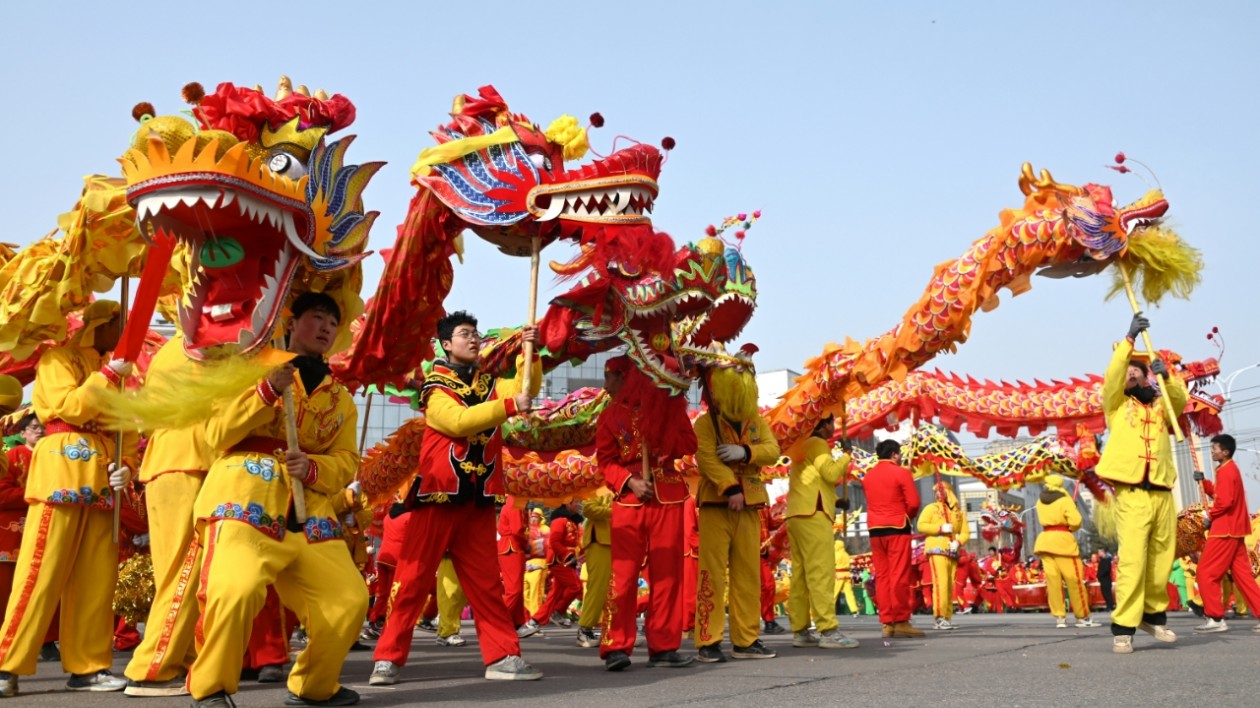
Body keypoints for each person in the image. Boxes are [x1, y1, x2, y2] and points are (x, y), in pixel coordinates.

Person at [189, 292, 367, 707]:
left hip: (311, 513)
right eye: (316, 317)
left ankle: (314, 687)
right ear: (290, 322)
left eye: (331, 322)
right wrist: (266, 390)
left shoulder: (340, 397)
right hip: (244, 498)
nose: (325, 328)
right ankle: (211, 689)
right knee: (236, 590)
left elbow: (347, 460)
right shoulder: (249, 367)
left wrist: (314, 469)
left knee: (349, 601)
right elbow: (216, 434)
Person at [370, 312, 543, 684]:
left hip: (478, 500)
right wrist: (511, 406)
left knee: (487, 584)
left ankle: (503, 656)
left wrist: (532, 353)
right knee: (413, 580)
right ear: (446, 344)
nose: (474, 339)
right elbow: (459, 423)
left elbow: (525, 390)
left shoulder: (490, 384)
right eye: (465, 334)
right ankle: (387, 657)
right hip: (438, 497)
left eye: (476, 334)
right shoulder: (435, 387)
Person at [0, 301, 135, 697]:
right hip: (60, 469)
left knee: (97, 580)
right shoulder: (58, 359)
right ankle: (7, 664)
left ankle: (89, 667)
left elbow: (125, 427)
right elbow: (69, 408)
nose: (126, 333)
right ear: (101, 325)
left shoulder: (119, 374)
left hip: (103, 479)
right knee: (40, 571)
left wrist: (126, 464)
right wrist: (107, 375)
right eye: (121, 325)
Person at [123, 334, 216, 697]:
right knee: (186, 571)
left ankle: (179, 658)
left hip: (166, 465)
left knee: (174, 573)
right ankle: (152, 668)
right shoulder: (201, 344)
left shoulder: (168, 350)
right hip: (190, 464)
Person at [1095, 313, 1188, 654]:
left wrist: (1171, 379)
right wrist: (1129, 340)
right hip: (1132, 493)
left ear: (1149, 375)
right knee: (1133, 558)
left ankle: (1153, 616)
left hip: (1163, 491)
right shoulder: (1117, 405)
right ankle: (1123, 627)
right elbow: (1112, 377)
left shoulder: (1161, 407)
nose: (1131, 371)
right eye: (1128, 369)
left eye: (1138, 368)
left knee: (1162, 557)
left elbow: (1178, 402)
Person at [597, 356, 695, 671]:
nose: (605, 384)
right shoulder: (610, 416)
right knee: (623, 576)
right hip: (630, 500)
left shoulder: (667, 409)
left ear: (627, 376)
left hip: (666, 496)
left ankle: (664, 646)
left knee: (668, 574)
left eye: (609, 377)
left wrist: (670, 419)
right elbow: (605, 462)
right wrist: (629, 481)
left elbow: (688, 445)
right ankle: (616, 646)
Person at [693, 362, 782, 662]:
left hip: (751, 503)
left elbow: (773, 449)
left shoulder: (757, 421)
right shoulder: (705, 424)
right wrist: (729, 487)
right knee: (712, 574)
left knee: (748, 575)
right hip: (717, 504)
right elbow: (706, 458)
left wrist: (745, 452)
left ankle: (746, 639)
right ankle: (709, 639)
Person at [785, 415, 858, 649]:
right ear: (824, 425)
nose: (834, 428)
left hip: (798, 514)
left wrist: (836, 503)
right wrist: (846, 455)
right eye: (832, 423)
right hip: (813, 516)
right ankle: (828, 630)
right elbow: (830, 473)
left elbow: (814, 482)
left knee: (800, 576)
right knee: (821, 572)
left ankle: (800, 630)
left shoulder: (803, 446)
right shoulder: (817, 444)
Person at [1192, 434, 1260, 633]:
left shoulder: (1228, 471)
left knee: (1205, 573)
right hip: (1234, 530)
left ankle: (1215, 617)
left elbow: (1224, 502)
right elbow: (1221, 495)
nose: (1212, 451)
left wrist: (1209, 517)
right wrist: (1204, 483)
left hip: (1224, 531)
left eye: (1215, 448)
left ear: (1225, 452)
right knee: (1243, 577)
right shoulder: (1226, 469)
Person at [860, 439, 922, 638]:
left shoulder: (868, 475)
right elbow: (913, 502)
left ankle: (887, 622)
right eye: (900, 454)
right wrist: (907, 516)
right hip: (897, 526)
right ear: (894, 454)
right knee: (899, 576)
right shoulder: (901, 472)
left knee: (882, 576)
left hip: (875, 529)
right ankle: (901, 619)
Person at [1034, 474, 1100, 629]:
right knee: (1075, 581)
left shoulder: (1039, 501)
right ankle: (1082, 617)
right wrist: (1071, 522)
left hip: (1045, 541)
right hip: (1063, 542)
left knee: (1053, 582)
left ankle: (1059, 617)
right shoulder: (1065, 499)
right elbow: (1076, 522)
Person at [917, 479, 969, 630]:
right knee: (941, 583)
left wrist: (958, 542)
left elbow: (965, 532)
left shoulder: (958, 513)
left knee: (949, 585)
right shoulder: (931, 508)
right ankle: (939, 617)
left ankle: (947, 616)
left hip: (952, 550)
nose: (939, 493)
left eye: (942, 490)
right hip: (936, 549)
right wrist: (940, 528)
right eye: (937, 491)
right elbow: (921, 525)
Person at [524, 501, 583, 630]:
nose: (577, 505)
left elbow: (575, 543)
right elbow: (554, 542)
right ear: (567, 504)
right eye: (574, 503)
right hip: (559, 561)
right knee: (576, 586)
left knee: (554, 595)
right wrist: (568, 555)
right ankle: (558, 611)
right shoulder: (559, 521)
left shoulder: (571, 521)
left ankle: (535, 620)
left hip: (567, 561)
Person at [575, 487, 612, 648]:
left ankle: (613, 630)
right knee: (598, 587)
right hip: (600, 541)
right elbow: (589, 509)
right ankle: (585, 628)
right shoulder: (598, 487)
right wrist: (615, 512)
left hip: (618, 541)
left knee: (616, 588)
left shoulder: (624, 486)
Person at [497, 495, 537, 637]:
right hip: (512, 546)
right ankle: (498, 622)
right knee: (514, 590)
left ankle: (518, 623)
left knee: (516, 589)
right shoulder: (515, 501)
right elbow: (517, 528)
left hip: (513, 546)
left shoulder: (516, 501)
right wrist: (526, 544)